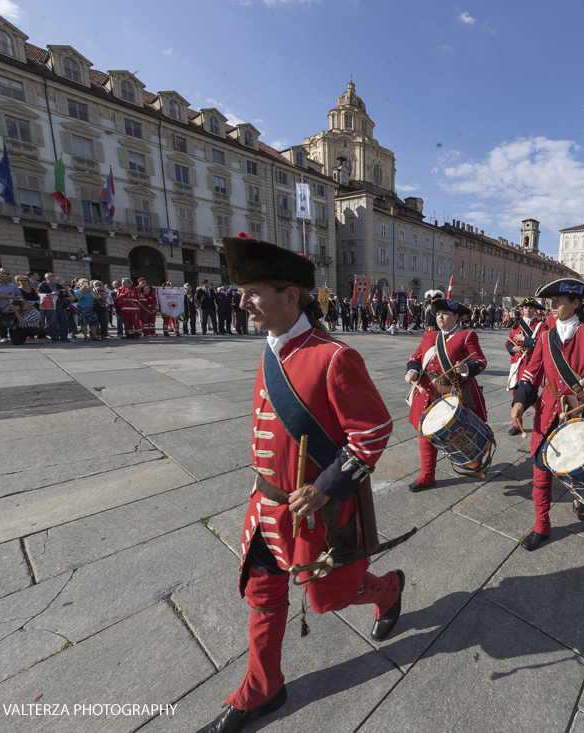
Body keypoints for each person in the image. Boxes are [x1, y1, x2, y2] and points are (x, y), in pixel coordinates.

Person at [195, 234, 405, 733]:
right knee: (263, 594)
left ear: (290, 295)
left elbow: (373, 431)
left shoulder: (334, 356)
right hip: (268, 508)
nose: (242, 302)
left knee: (327, 599)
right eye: (241, 292)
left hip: (319, 512)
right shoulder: (272, 349)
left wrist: (326, 487)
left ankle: (388, 589)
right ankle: (262, 688)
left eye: (252, 292)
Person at [510, 278, 584, 552]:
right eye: (551, 302)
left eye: (558, 302)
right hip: (547, 413)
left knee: (581, 467)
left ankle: (583, 497)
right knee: (540, 472)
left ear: (575, 304)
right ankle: (541, 525)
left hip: (580, 412)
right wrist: (521, 400)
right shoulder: (544, 335)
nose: (552, 306)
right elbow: (532, 372)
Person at [404, 297, 488, 491]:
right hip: (429, 390)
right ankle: (427, 475)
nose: (440, 317)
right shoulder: (428, 336)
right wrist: (412, 371)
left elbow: (480, 361)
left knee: (464, 429)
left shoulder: (467, 335)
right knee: (425, 432)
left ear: (456, 317)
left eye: (445, 314)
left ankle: (475, 460)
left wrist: (466, 367)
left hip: (455, 391)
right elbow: (416, 357)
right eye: (438, 314)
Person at [505, 298, 546, 435]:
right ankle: (517, 424)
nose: (527, 310)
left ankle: (540, 421)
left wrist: (524, 340)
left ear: (535, 310)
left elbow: (542, 343)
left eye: (530, 308)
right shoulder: (517, 324)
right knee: (516, 394)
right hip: (518, 363)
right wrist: (512, 348)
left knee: (532, 394)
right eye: (525, 308)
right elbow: (508, 342)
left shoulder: (541, 325)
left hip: (532, 363)